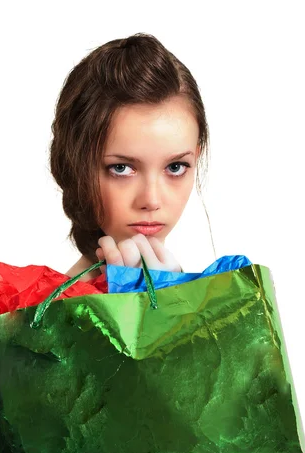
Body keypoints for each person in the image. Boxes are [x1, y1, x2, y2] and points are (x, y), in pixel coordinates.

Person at [49, 32, 210, 284]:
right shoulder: (38, 315)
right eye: (121, 168)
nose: (152, 200)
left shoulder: (214, 293)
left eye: (175, 167)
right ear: (76, 165)